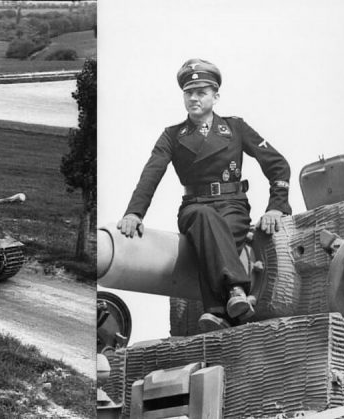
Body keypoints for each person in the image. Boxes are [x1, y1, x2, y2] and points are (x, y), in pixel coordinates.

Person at [116, 58, 292, 332]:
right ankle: (235, 290)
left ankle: (217, 311)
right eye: (189, 93)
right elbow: (151, 174)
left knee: (218, 232)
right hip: (194, 208)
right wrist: (134, 213)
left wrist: (276, 206)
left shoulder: (235, 128)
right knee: (205, 217)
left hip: (234, 206)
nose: (194, 98)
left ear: (216, 96)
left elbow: (277, 164)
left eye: (201, 92)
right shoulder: (172, 136)